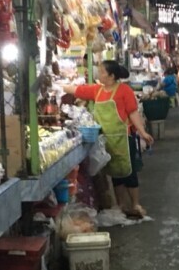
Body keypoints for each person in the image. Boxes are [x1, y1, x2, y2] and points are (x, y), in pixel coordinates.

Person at [64, 61, 154, 219]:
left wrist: (143, 132)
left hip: (124, 139)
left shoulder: (124, 90)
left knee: (129, 172)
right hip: (108, 140)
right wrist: (57, 86)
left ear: (111, 76)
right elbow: (77, 90)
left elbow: (133, 113)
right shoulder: (97, 91)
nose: (98, 73)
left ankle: (135, 204)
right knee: (115, 174)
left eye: (102, 71)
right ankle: (121, 205)